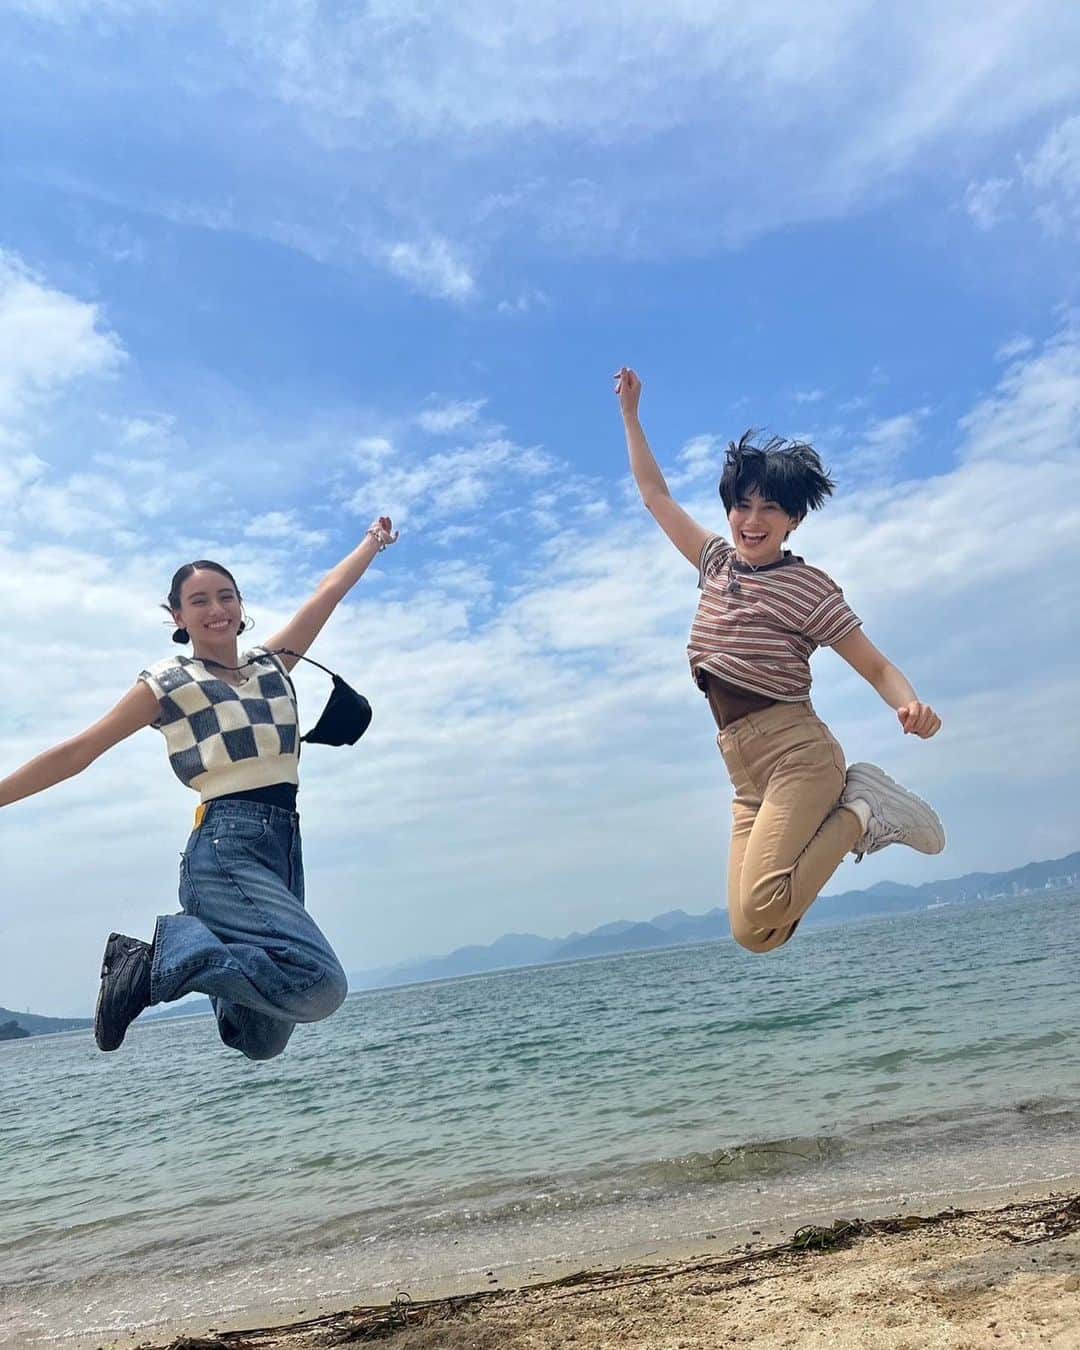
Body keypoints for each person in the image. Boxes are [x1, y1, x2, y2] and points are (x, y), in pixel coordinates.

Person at [0, 517, 398, 1057]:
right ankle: (154, 961)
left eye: (226, 596)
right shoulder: (168, 683)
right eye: (200, 601)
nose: (216, 609)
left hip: (284, 845)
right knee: (320, 986)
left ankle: (193, 950)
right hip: (226, 844)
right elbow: (80, 749)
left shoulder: (272, 664)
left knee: (260, 1040)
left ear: (241, 604)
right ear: (178, 617)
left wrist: (372, 543)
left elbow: (328, 591)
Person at [615, 368, 944, 953]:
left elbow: (875, 666)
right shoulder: (715, 564)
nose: (753, 520)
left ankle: (863, 809)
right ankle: (858, 812)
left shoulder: (807, 587)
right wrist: (632, 418)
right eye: (742, 506)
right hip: (743, 771)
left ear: (793, 518)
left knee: (766, 901)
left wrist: (910, 704)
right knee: (755, 934)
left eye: (770, 508)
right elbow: (656, 497)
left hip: (796, 752)